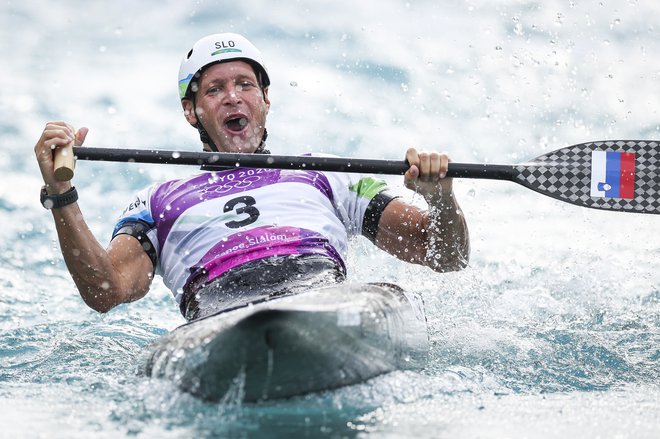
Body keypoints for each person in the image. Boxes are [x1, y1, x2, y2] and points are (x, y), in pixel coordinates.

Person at [34, 33, 470, 321]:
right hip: (219, 316)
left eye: (244, 84)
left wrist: (441, 200)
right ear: (192, 111)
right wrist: (62, 193)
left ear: (265, 98)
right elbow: (105, 291)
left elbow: (447, 255)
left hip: (324, 299)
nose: (232, 97)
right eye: (214, 89)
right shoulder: (157, 200)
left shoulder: (327, 173)